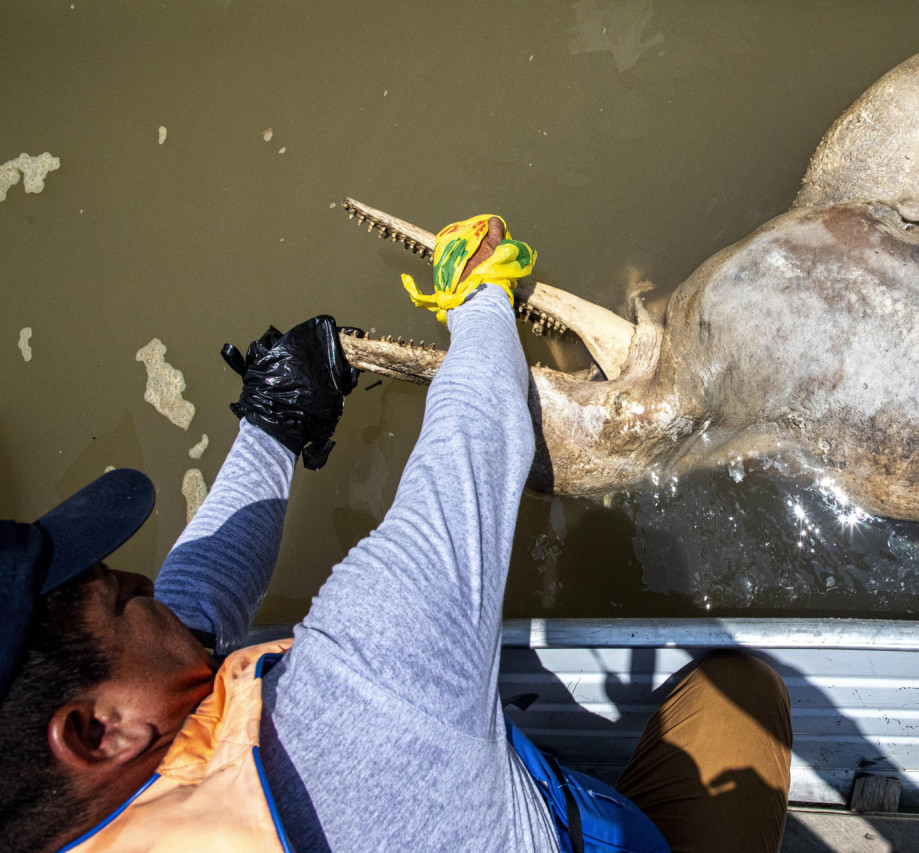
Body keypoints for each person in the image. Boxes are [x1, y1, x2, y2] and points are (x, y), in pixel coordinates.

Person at [0, 215, 793, 852]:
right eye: (114, 597)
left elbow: (189, 619)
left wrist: (276, 426)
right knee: (740, 692)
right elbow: (482, 427)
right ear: (95, 731)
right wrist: (479, 294)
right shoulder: (365, 680)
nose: (143, 583)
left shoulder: (81, 798)